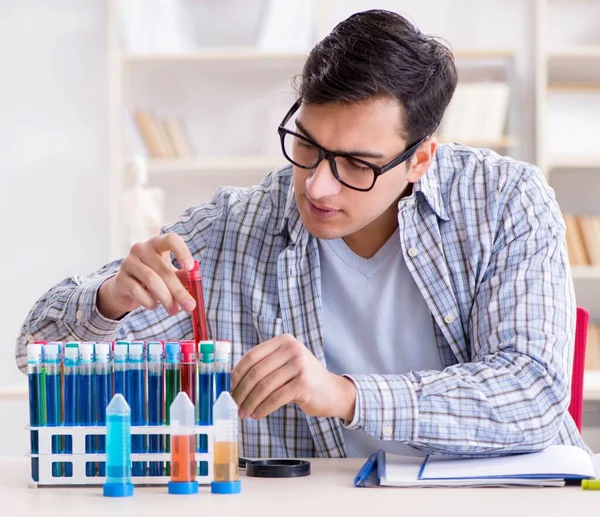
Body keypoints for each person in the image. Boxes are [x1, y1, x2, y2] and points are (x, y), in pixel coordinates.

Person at [16, 9, 588, 458]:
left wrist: (344, 394)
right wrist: (109, 303)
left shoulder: (507, 201)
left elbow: (532, 393)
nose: (317, 187)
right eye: (307, 145)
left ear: (420, 160)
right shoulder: (236, 227)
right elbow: (34, 353)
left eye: (357, 165)